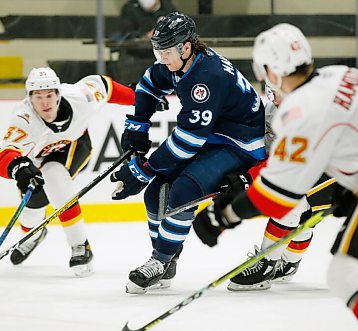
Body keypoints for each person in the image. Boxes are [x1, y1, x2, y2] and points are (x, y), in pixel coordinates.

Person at [210, 23, 358, 331]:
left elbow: (278, 196)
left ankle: (271, 262)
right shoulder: (343, 74)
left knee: (345, 272)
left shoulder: (301, 110)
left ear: (274, 70)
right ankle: (283, 260)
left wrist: (225, 214)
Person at [110, 12, 267, 294]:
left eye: (167, 52)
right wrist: (138, 124)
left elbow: (189, 140)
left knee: (183, 191)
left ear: (186, 47)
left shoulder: (206, 78)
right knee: (154, 192)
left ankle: (160, 259)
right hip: (213, 134)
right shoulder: (181, 61)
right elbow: (149, 82)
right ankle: (166, 261)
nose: (162, 59)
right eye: (158, 51)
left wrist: (143, 169)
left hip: (240, 141)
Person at [0, 67, 135, 277]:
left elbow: (106, 87)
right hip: (35, 159)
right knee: (32, 210)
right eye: (38, 97)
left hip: (75, 145)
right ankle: (33, 235)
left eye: (50, 95)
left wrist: (139, 100)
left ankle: (80, 246)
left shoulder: (80, 97)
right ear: (29, 99)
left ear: (59, 95)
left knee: (55, 176)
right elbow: (2, 155)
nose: (45, 103)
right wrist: (19, 167)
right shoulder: (23, 118)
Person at [193, 85, 336, 291]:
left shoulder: (308, 114)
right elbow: (269, 155)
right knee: (302, 213)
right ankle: (288, 264)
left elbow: (286, 162)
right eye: (271, 94)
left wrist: (248, 179)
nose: (274, 100)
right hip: (309, 170)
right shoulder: (271, 111)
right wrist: (243, 176)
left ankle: (267, 264)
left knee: (291, 204)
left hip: (336, 170)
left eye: (278, 94)